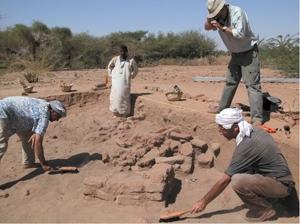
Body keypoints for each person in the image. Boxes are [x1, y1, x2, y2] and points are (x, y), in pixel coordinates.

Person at [191, 108, 297, 222]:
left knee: (237, 180)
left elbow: (225, 180)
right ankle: (276, 198)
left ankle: (264, 210)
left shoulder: (246, 145)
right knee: (243, 170)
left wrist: (203, 202)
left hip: (282, 185)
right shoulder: (255, 131)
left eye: (223, 128)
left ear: (235, 127)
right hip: (282, 179)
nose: (220, 131)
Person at [205, 0, 263, 125]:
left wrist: (222, 27)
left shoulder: (237, 12)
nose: (217, 16)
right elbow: (206, 28)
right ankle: (222, 109)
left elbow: (239, 33)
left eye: (217, 13)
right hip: (235, 54)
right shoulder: (218, 16)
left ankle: (257, 118)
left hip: (249, 53)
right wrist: (209, 21)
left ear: (224, 8)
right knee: (230, 83)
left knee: (252, 85)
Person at [0, 96, 66, 171]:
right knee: (1, 145)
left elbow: (33, 116)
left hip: (15, 114)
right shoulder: (44, 115)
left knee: (28, 134)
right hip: (3, 112)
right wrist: (43, 164)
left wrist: (35, 132)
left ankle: (28, 162)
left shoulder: (45, 105)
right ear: (52, 111)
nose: (57, 120)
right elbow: (38, 142)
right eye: (57, 116)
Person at [107, 45, 138, 117]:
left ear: (127, 52)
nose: (123, 53)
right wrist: (112, 75)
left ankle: (124, 114)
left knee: (124, 97)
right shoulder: (115, 59)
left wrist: (131, 75)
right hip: (115, 82)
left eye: (124, 51)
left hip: (125, 82)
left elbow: (135, 70)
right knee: (114, 96)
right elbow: (110, 67)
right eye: (121, 51)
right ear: (119, 52)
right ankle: (115, 113)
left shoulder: (131, 60)